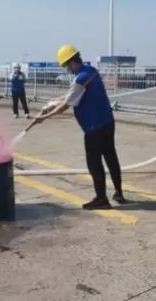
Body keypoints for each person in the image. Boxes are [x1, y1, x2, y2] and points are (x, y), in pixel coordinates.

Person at [33, 45, 126, 210]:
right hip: (107, 122)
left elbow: (65, 105)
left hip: (93, 127)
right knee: (111, 157)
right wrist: (53, 102)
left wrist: (44, 117)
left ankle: (101, 199)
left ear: (71, 62)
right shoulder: (91, 71)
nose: (67, 69)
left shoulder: (80, 78)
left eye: (66, 66)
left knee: (94, 163)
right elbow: (72, 95)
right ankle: (119, 193)